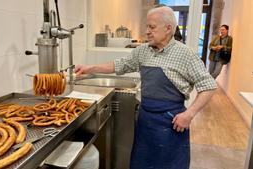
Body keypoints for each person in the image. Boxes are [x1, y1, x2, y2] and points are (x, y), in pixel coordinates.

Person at [75, 6, 217, 169]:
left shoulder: (186, 54)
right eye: (147, 26)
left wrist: (189, 115)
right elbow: (120, 65)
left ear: (168, 28)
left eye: (152, 27)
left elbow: (209, 86)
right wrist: (89, 68)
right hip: (146, 120)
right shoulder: (143, 51)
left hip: (172, 122)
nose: (147, 31)